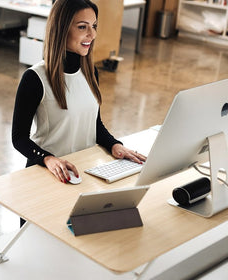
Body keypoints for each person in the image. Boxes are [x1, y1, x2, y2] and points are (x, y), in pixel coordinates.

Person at [12, 0, 146, 185]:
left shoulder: (91, 73)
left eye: (94, 26)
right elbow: (19, 138)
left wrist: (115, 145)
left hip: (84, 170)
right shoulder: (35, 78)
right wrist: (48, 159)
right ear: (62, 29)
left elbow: (94, 125)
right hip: (48, 173)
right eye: (83, 27)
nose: (92, 34)